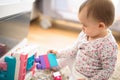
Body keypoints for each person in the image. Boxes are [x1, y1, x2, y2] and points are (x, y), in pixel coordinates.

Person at [47, 0, 118, 80]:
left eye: (85, 25)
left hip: (85, 77)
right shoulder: (85, 34)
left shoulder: (109, 46)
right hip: (77, 65)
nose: (82, 27)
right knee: (71, 54)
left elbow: (107, 70)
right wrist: (57, 54)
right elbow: (73, 50)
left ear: (101, 26)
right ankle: (56, 66)